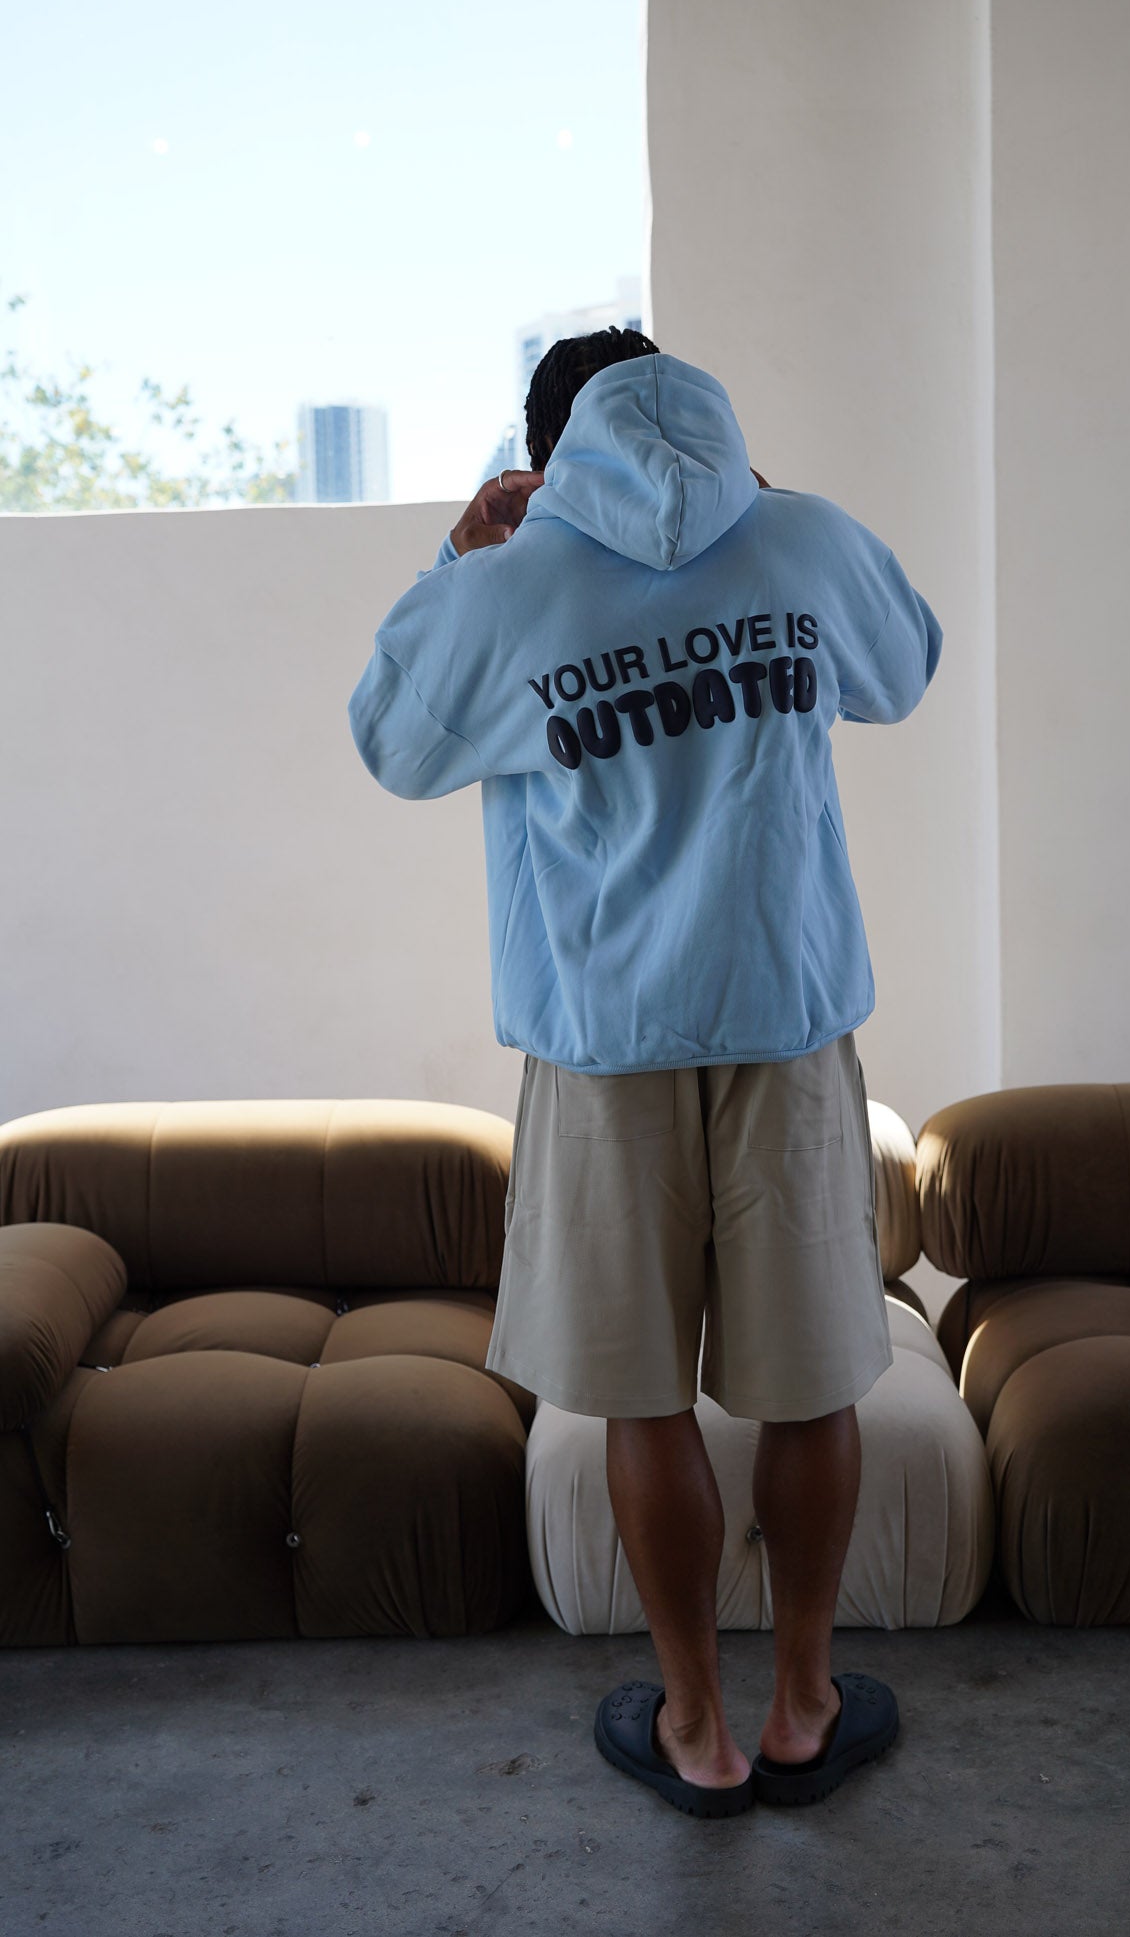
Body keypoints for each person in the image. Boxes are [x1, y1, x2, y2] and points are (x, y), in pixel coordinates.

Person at [347, 327, 943, 1819]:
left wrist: (463, 548)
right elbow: (907, 664)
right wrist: (765, 509)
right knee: (811, 1391)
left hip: (604, 1043)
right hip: (786, 1024)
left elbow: (392, 743)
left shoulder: (510, 586)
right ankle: (803, 1704)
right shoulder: (799, 538)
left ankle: (696, 1725)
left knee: (640, 1402)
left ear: (546, 455)